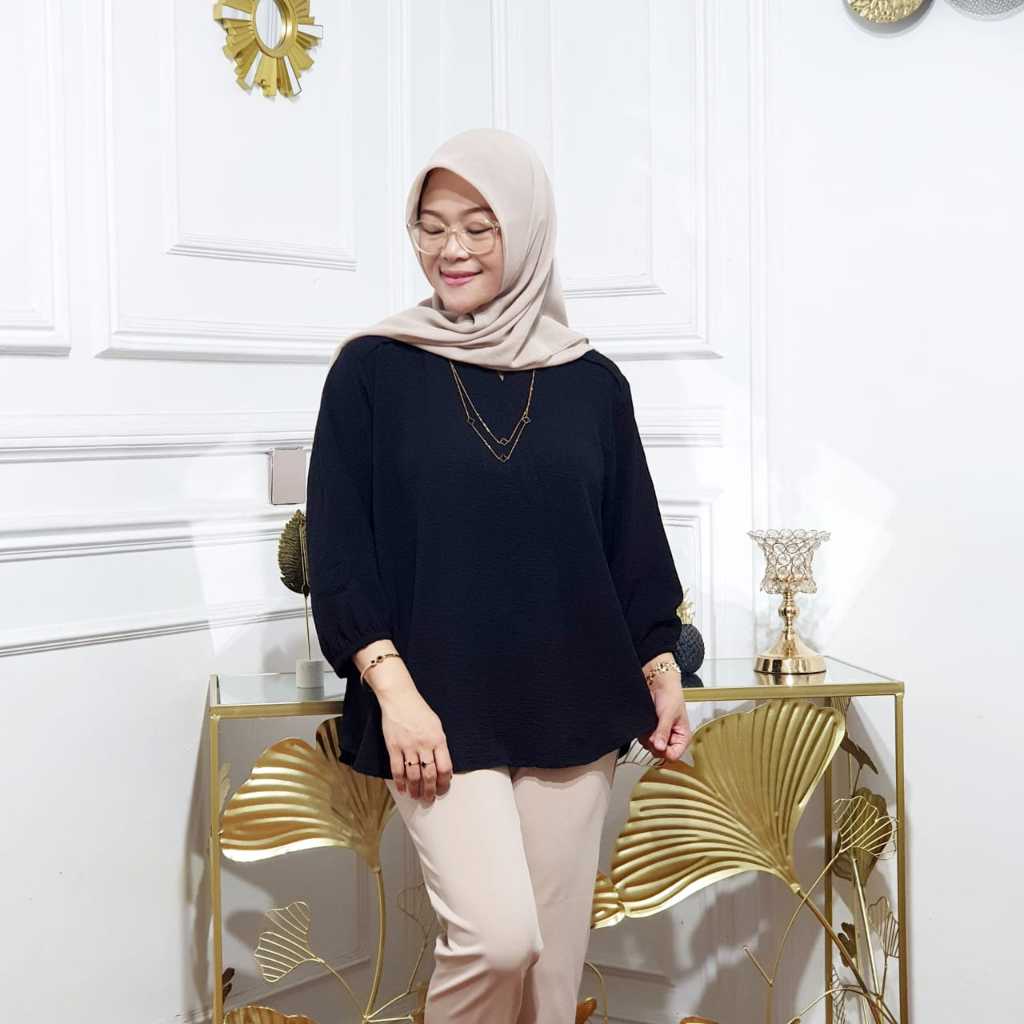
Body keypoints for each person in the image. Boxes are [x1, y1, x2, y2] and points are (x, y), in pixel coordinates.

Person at [306, 127, 693, 1023]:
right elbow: (340, 550)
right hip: (432, 709)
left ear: (525, 231)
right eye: (432, 225)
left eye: (480, 227)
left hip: (574, 698)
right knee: (497, 938)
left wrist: (661, 666)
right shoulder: (371, 369)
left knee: (551, 983)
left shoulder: (592, 381)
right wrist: (393, 692)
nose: (453, 249)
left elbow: (632, 543)